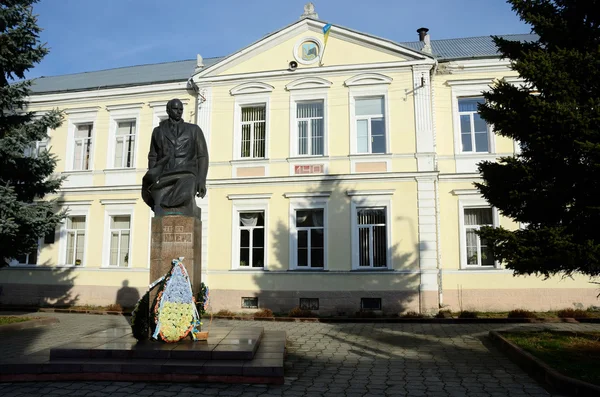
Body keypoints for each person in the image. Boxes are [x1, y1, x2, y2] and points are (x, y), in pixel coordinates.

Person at [141, 99, 208, 217]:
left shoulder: (194, 130)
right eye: (175, 109)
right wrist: (153, 176)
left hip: (187, 175)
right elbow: (153, 156)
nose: (179, 112)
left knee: (186, 195)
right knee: (158, 200)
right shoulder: (158, 131)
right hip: (164, 176)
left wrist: (201, 179)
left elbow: (202, 156)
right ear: (168, 110)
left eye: (181, 109)